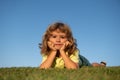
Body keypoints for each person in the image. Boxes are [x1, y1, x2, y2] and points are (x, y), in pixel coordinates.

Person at [39, 22, 106, 69]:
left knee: (92, 66)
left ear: (68, 39)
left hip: (81, 61)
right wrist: (53, 51)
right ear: (48, 39)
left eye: (62, 37)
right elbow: (43, 68)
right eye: (54, 37)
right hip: (53, 51)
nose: (58, 40)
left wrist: (62, 51)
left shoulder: (73, 51)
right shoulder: (47, 52)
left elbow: (73, 68)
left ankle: (102, 65)